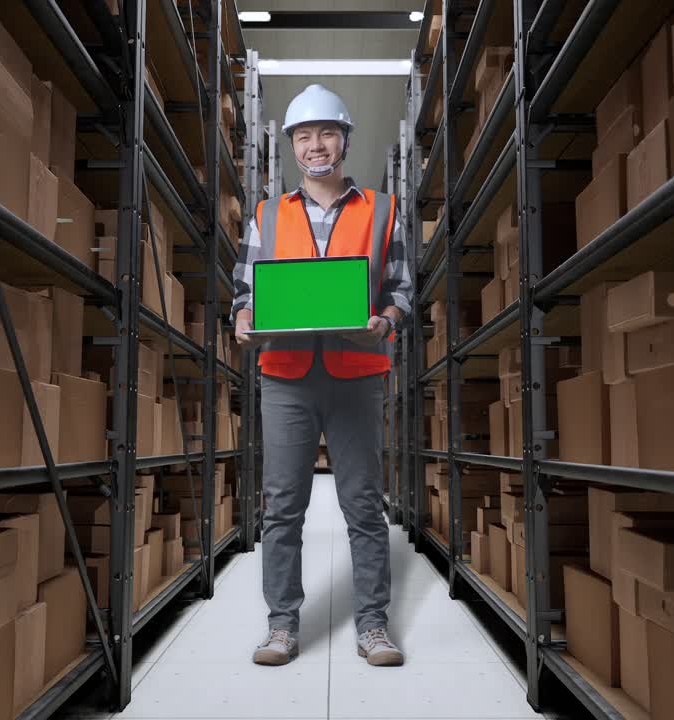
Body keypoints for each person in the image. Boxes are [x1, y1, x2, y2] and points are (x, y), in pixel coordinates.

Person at [231, 84, 413, 667]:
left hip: (357, 371)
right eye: (304, 136)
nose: (316, 146)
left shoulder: (381, 209)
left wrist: (386, 320)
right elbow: (246, 289)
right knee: (283, 505)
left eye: (327, 133)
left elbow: (403, 290)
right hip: (284, 374)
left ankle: (373, 626)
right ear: (292, 147)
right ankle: (281, 626)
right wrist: (242, 318)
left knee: (363, 503)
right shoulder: (267, 213)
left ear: (345, 140)